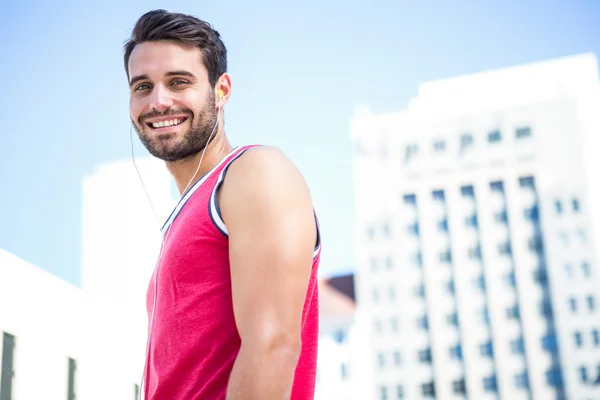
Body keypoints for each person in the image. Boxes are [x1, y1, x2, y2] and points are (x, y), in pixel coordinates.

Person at [124, 9, 322, 400]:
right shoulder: (187, 212)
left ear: (222, 90)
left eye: (179, 82)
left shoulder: (255, 171)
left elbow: (273, 346)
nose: (159, 101)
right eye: (142, 86)